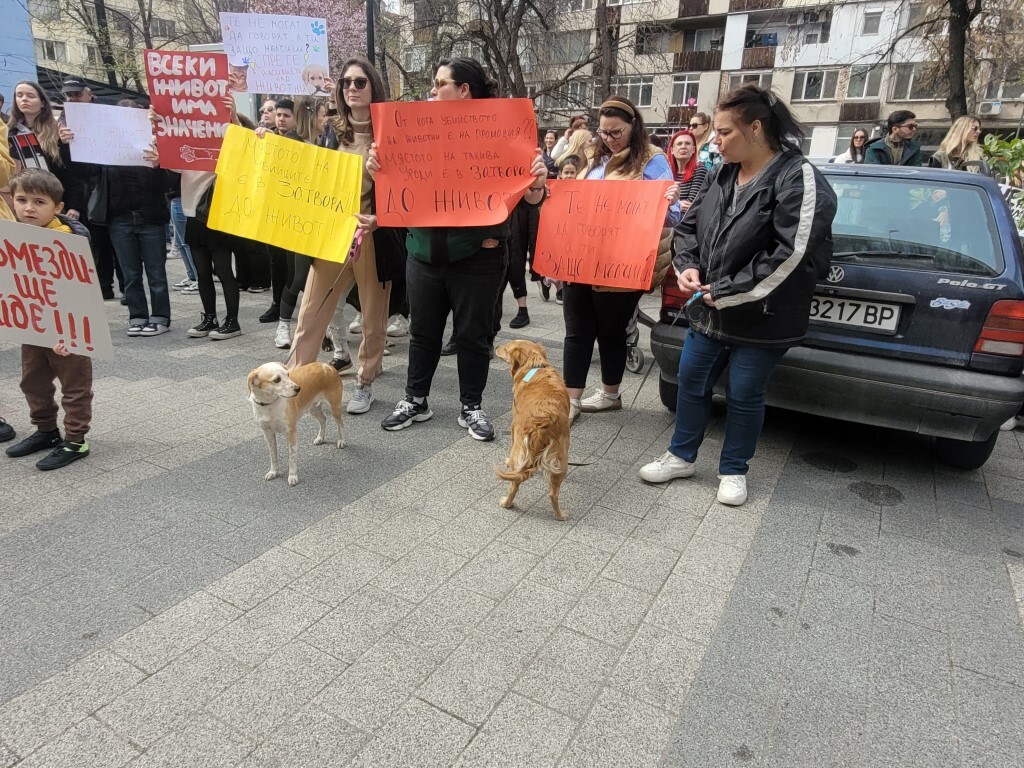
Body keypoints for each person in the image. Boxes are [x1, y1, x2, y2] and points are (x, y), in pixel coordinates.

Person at [639, 84, 837, 506]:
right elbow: (690, 226)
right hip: (710, 310)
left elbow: (792, 254)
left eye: (724, 132)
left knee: (745, 393)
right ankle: (681, 455)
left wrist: (724, 290)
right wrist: (686, 264)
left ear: (756, 128)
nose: (715, 140)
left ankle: (733, 470)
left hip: (764, 315)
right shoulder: (722, 172)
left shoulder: (797, 178)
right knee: (691, 380)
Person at [367, 57, 548, 439]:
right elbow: (397, 184)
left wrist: (535, 183)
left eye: (440, 83)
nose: (433, 91)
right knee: (423, 332)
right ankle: (416, 399)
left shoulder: (500, 134)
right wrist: (379, 167)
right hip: (424, 254)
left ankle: (471, 406)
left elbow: (529, 199)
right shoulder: (413, 131)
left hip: (477, 257)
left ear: (463, 89)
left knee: (473, 335)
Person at [288, 57, 402, 415]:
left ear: (373, 87)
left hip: (373, 235)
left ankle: (365, 380)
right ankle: (293, 378)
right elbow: (305, 169)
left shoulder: (392, 133)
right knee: (311, 310)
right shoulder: (331, 130)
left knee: (372, 315)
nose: (351, 88)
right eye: (346, 83)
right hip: (331, 235)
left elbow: (407, 191)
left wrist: (381, 209)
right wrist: (263, 142)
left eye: (359, 82)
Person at [562, 96, 680, 423]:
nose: (609, 139)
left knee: (611, 331)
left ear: (633, 127)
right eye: (603, 133)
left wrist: (671, 201)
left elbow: (669, 217)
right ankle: (571, 400)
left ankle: (610, 394)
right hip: (582, 258)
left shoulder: (652, 160)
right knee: (576, 328)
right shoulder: (593, 159)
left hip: (621, 264)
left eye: (616, 132)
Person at [4, 169, 94, 470]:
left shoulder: (68, 242)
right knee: (33, 381)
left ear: (56, 207)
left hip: (69, 332)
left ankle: (76, 440)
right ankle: (46, 430)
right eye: (21, 200)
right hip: (34, 326)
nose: (28, 207)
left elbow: (80, 294)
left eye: (38, 202)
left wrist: (69, 332)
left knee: (75, 386)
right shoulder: (14, 239)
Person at [76, 101, 173, 337]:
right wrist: (70, 143)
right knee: (130, 274)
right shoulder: (106, 147)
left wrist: (159, 164)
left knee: (156, 272)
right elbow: (84, 173)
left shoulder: (155, 144)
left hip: (151, 218)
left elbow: (167, 186)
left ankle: (160, 317)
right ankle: (137, 315)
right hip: (120, 219)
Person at [267, 96, 326, 350]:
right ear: (312, 117)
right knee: (300, 277)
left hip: (324, 221)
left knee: (326, 281)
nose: (328, 119)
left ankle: (325, 331)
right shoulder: (292, 143)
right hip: (299, 223)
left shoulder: (329, 142)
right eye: (324, 114)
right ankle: (284, 325)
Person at [667, 129, 708, 211]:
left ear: (693, 150)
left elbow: (691, 204)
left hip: (687, 220)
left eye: (687, 143)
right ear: (672, 150)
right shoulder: (667, 171)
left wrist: (672, 205)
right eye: (679, 144)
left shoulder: (700, 170)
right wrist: (678, 205)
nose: (683, 146)